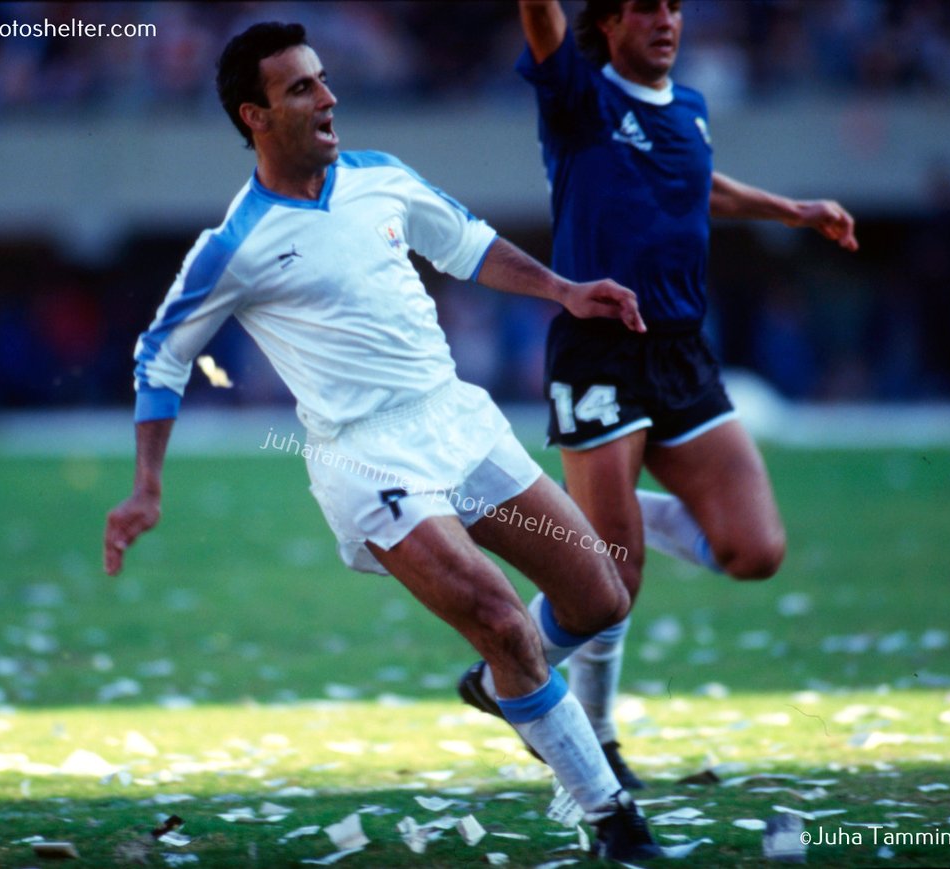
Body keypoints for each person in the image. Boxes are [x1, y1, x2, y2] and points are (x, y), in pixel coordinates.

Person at [103, 21, 669, 861]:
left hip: (457, 424)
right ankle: (610, 818)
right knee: (500, 617)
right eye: (301, 88)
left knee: (599, 595)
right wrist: (147, 484)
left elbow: (468, 246)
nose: (328, 98)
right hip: (368, 462)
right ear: (255, 116)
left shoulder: (381, 178)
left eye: (323, 80)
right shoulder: (234, 245)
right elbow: (160, 354)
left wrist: (564, 289)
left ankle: (503, 688)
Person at [458, 0, 859, 789]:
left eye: (674, 6)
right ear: (607, 25)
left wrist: (792, 209)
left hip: (682, 352)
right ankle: (563, 708)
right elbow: (540, 15)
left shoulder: (690, 109)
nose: (666, 20)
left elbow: (701, 185)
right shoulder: (580, 96)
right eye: (645, 9)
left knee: (755, 551)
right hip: (600, 351)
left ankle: (526, 638)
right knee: (613, 575)